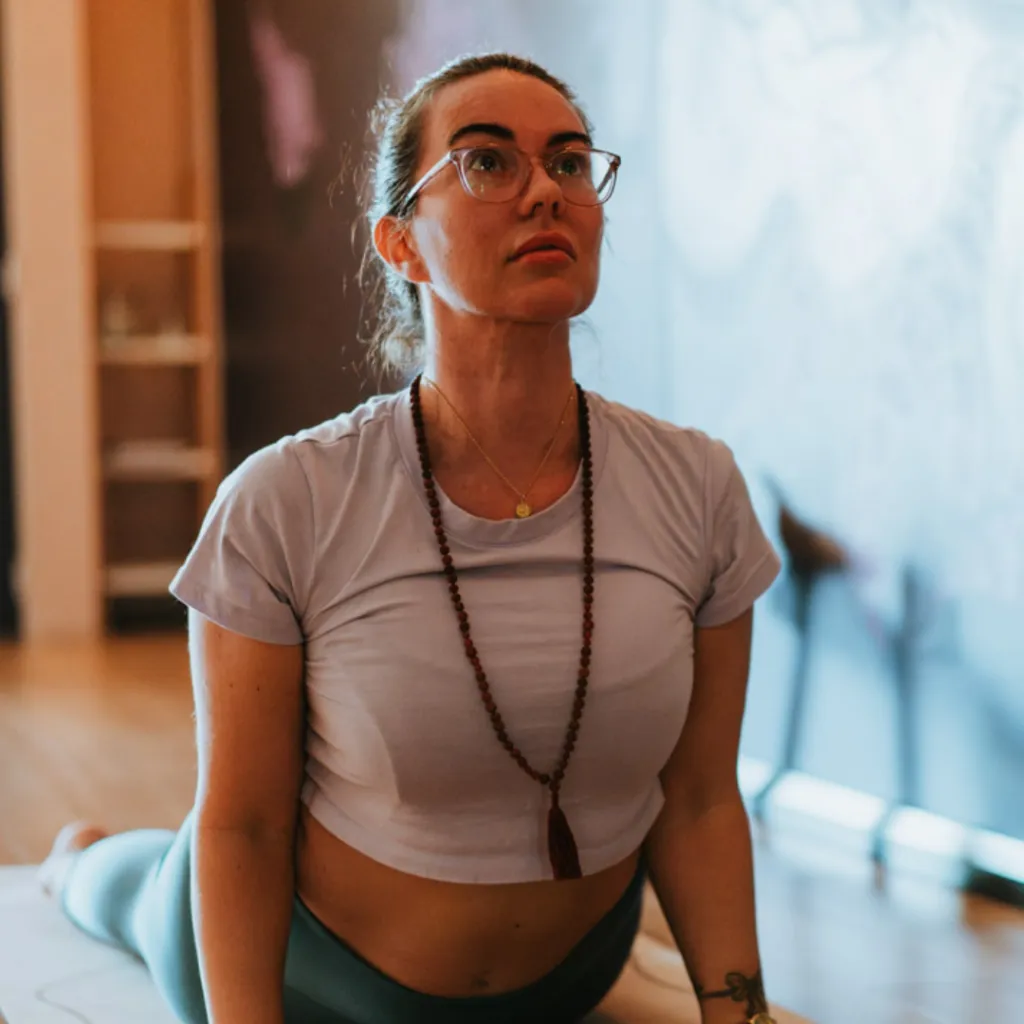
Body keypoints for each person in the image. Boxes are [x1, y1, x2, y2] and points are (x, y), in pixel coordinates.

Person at [38, 52, 782, 1024]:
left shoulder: (697, 484)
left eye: (566, 163)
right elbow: (245, 826)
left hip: (567, 978)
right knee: (121, 886)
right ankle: (79, 858)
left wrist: (746, 1015)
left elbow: (697, 802)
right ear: (400, 244)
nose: (542, 193)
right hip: (316, 982)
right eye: (485, 162)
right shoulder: (289, 497)